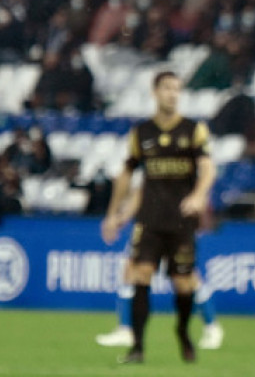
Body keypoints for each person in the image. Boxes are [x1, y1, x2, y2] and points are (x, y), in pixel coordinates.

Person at [100, 71, 218, 364]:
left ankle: (182, 330)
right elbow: (127, 174)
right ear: (155, 92)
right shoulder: (141, 134)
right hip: (149, 219)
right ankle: (138, 347)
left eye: (177, 89)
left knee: (183, 283)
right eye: (167, 88)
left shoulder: (193, 130)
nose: (173, 94)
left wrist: (199, 195)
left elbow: (208, 168)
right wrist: (113, 214)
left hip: (181, 221)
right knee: (140, 275)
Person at [96, 187, 225, 351]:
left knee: (187, 278)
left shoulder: (181, 170)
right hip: (149, 227)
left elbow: (198, 192)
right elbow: (140, 193)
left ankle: (212, 326)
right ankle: (125, 329)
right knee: (131, 271)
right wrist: (123, 218)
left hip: (174, 227)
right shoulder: (152, 171)